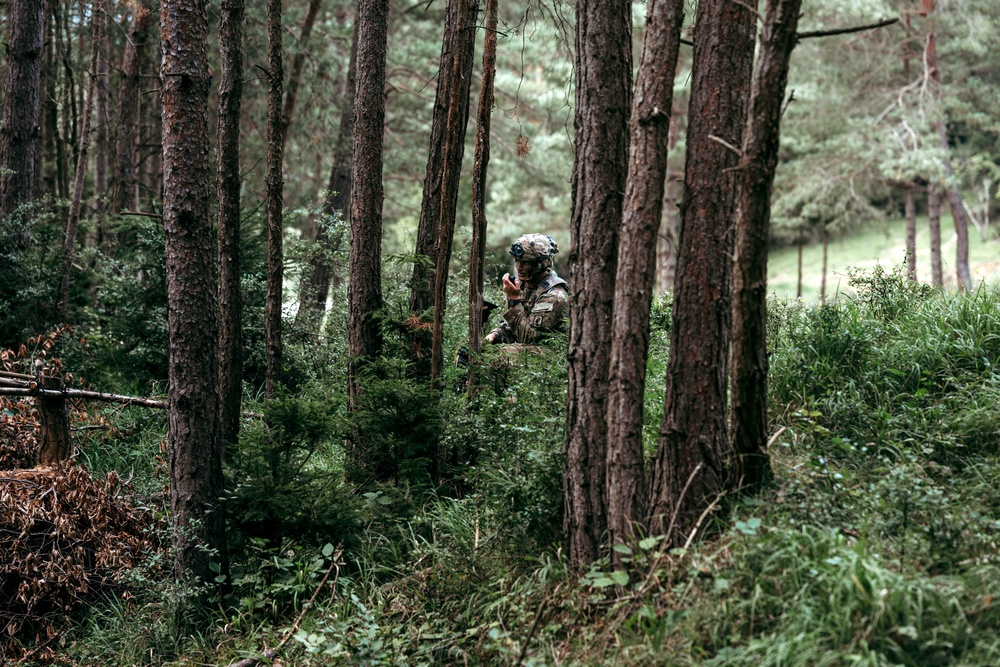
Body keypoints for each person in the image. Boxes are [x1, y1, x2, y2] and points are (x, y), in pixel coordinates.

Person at [485, 233, 569, 346]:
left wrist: (513, 300)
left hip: (550, 354)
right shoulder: (525, 286)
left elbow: (530, 338)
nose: (519, 267)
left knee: (504, 354)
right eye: (517, 260)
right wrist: (495, 335)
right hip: (530, 350)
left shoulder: (554, 295)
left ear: (539, 264)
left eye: (525, 263)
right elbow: (516, 325)